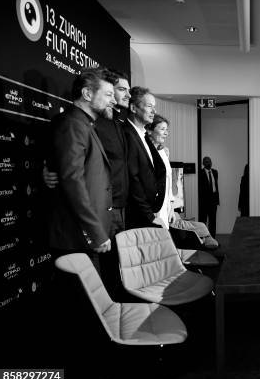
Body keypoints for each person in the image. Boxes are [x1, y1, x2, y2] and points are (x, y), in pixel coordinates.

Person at [48, 68, 114, 273]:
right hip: (77, 237)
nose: (113, 100)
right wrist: (95, 231)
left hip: (83, 237)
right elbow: (73, 181)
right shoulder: (74, 124)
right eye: (108, 94)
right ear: (87, 94)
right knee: (84, 304)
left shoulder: (84, 124)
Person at [123, 87, 167, 228]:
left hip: (152, 211)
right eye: (149, 106)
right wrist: (149, 215)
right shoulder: (126, 134)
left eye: (154, 107)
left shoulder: (144, 135)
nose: (154, 111)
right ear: (134, 108)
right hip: (139, 216)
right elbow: (133, 179)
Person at [146, 115, 174, 228]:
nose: (166, 133)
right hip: (153, 210)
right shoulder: (146, 152)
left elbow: (169, 182)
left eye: (167, 130)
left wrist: (171, 208)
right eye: (162, 129)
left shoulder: (164, 152)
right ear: (149, 131)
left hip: (165, 208)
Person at [199, 156, 220, 236]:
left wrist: (217, 200)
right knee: (203, 221)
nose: (209, 163)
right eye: (207, 162)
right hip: (204, 201)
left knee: (213, 221)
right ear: (203, 163)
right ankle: (204, 238)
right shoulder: (200, 173)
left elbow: (215, 186)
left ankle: (213, 239)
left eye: (210, 161)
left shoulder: (215, 172)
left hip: (213, 200)